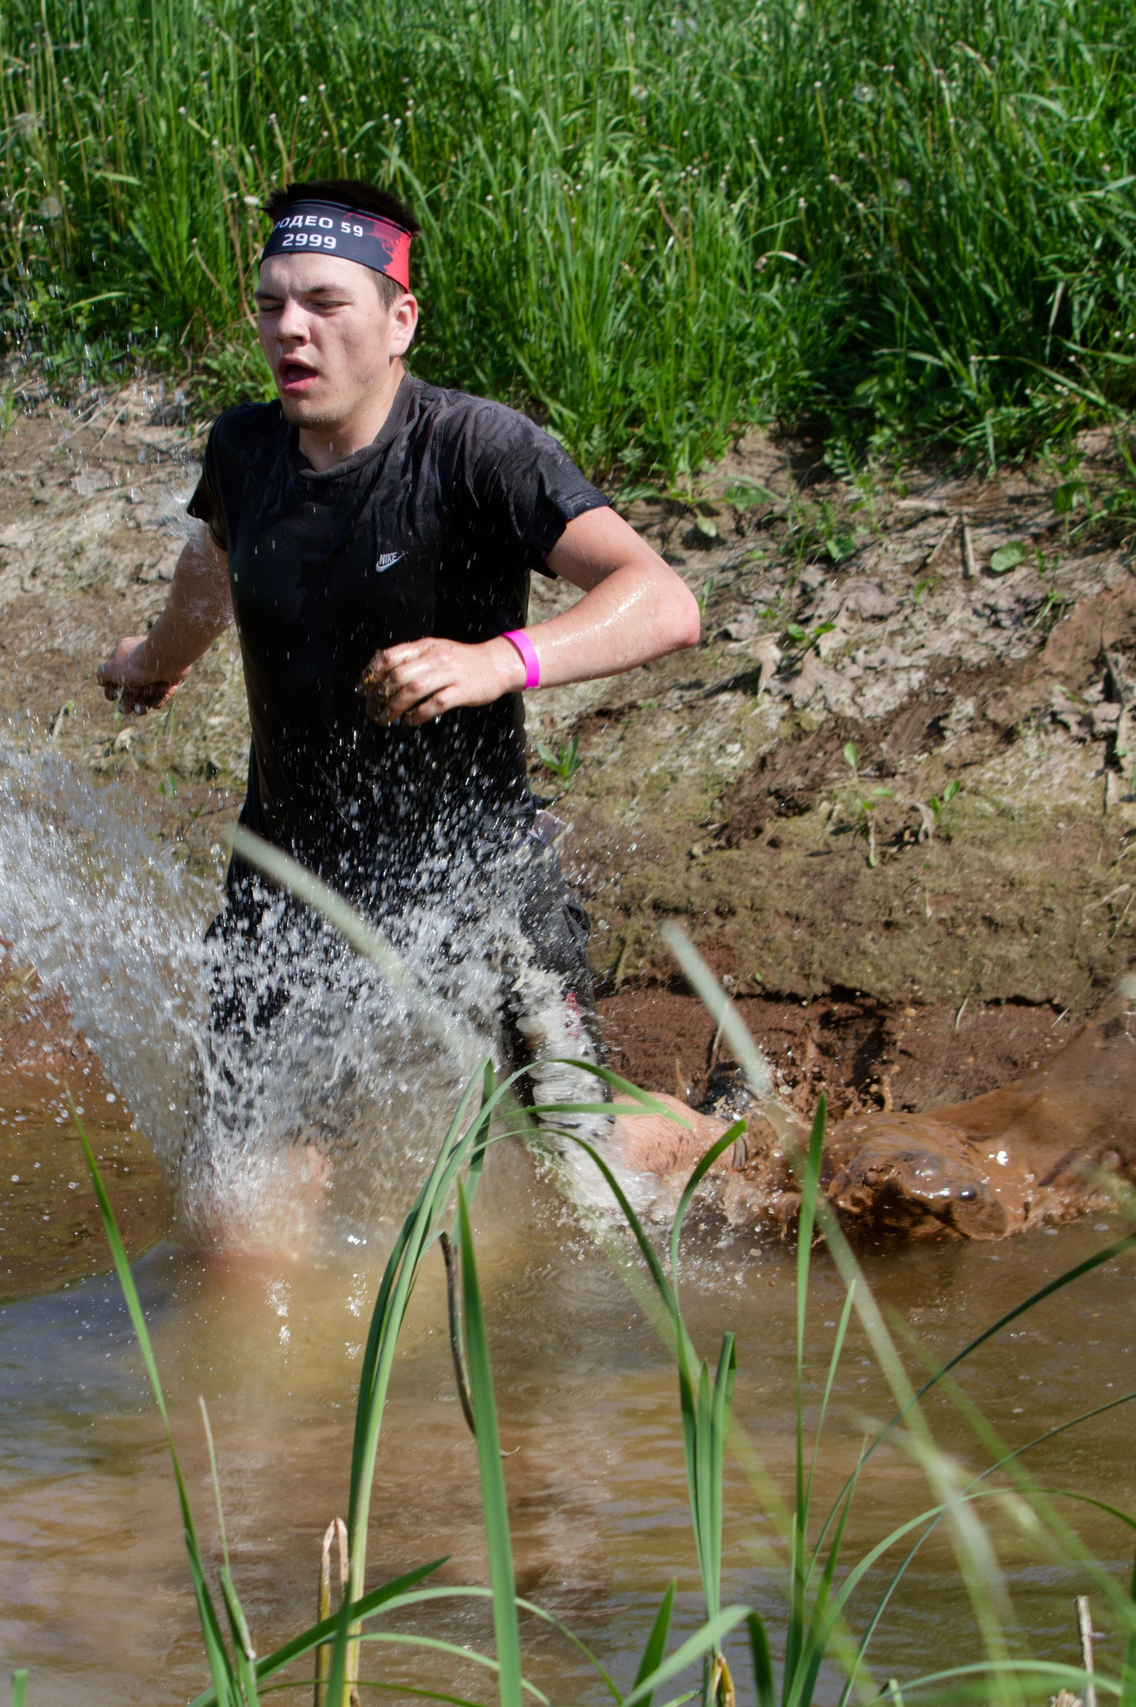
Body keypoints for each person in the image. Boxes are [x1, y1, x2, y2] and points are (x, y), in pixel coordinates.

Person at [98, 178, 722, 1215]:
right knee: (237, 1207)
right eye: (270, 304)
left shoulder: (477, 450)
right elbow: (214, 568)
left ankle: (717, 1132)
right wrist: (153, 661)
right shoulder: (243, 450)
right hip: (285, 884)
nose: (289, 329)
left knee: (582, 1173)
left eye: (324, 303)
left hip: (469, 886)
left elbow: (662, 602)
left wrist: (495, 662)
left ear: (399, 320)